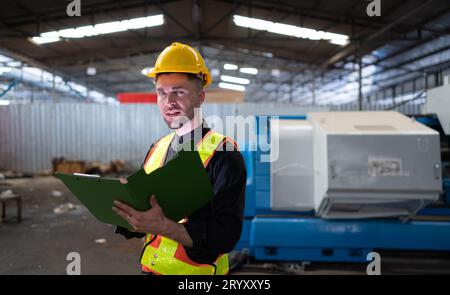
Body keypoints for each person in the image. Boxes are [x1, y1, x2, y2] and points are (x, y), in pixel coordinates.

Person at [112, 42, 247, 275]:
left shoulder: (224, 155)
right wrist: (125, 210)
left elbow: (225, 236)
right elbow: (146, 214)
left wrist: (164, 227)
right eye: (161, 93)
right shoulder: (157, 148)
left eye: (179, 91)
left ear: (200, 96)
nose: (169, 102)